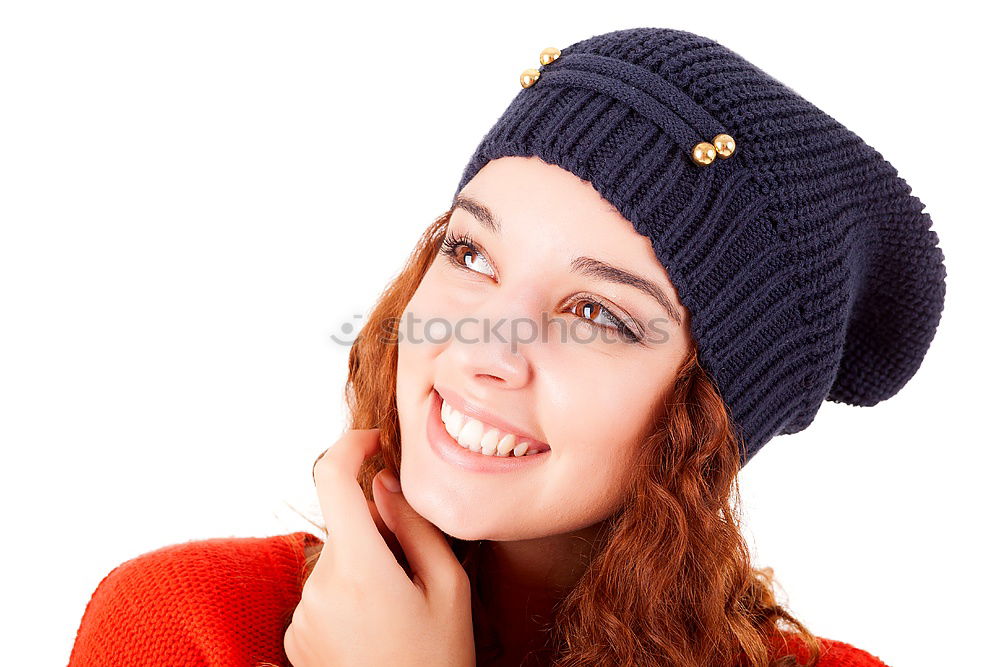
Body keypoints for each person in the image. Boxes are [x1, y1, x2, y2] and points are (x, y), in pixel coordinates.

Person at [68, 26, 946, 667]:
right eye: (471, 252)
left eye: (597, 313)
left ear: (707, 415)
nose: (486, 345)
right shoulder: (187, 625)